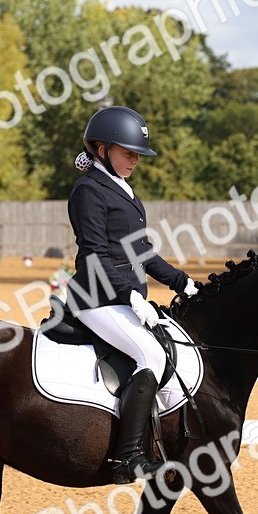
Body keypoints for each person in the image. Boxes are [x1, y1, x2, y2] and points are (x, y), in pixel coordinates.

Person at [64, 106, 198, 485]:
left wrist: (181, 282)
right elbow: (94, 254)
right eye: (129, 152)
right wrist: (129, 293)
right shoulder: (89, 190)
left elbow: (141, 252)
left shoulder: (125, 191)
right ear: (102, 149)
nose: (136, 160)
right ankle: (128, 458)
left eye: (138, 154)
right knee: (151, 353)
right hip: (95, 298)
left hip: (123, 298)